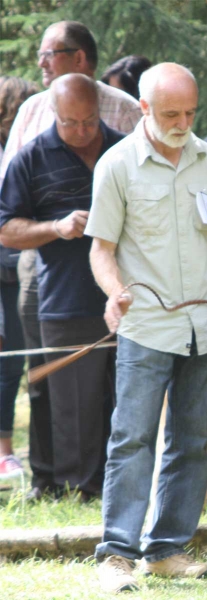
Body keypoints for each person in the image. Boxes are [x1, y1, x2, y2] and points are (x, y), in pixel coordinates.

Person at [86, 62, 207, 594]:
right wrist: (114, 291)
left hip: (206, 325)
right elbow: (101, 250)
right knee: (132, 438)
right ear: (144, 109)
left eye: (191, 112)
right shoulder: (116, 166)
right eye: (171, 113)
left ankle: (167, 550)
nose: (183, 122)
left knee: (192, 440)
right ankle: (117, 554)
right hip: (146, 327)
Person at [0, 20, 141, 501]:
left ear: (99, 109)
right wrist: (55, 228)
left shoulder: (124, 150)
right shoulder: (32, 157)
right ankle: (75, 487)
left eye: (88, 122)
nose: (81, 133)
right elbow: (6, 229)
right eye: (70, 124)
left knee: (123, 397)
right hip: (61, 294)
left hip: (126, 293)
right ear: (53, 114)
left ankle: (118, 483)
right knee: (69, 402)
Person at [0, 76, 38, 479]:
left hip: (19, 264)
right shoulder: (11, 154)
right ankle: (4, 450)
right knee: (8, 361)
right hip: (6, 266)